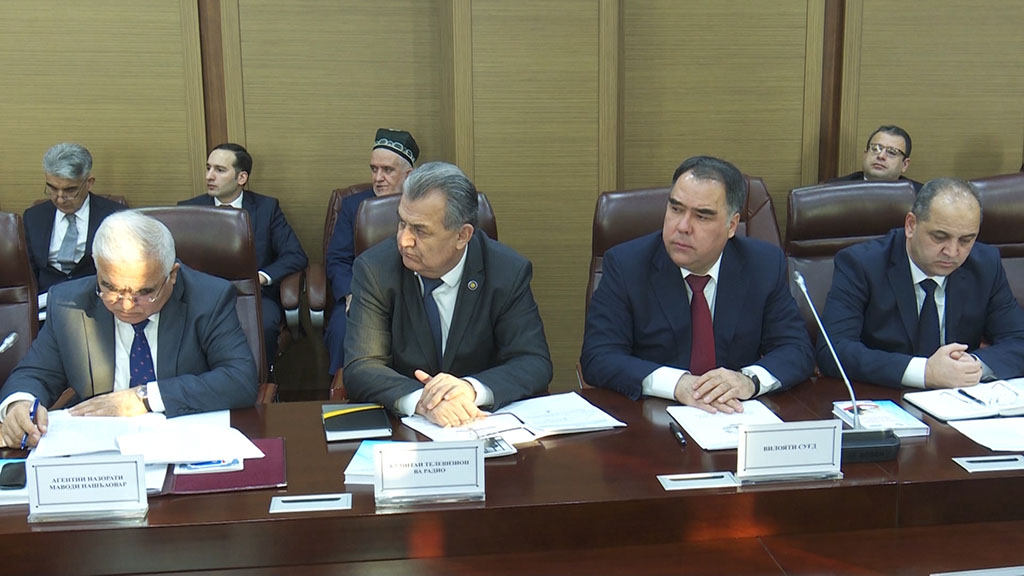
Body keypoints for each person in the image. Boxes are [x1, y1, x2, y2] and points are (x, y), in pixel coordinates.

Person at [0, 210, 258, 449]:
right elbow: (35, 373)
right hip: (98, 450)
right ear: (97, 266)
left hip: (183, 442)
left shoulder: (208, 298)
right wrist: (19, 405)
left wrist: (144, 398)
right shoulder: (70, 304)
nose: (125, 305)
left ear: (172, 275)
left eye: (144, 292)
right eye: (110, 287)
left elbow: (240, 379)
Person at [580, 156, 814, 413]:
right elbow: (598, 356)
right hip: (653, 417)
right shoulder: (627, 265)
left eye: (702, 216)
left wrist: (748, 380)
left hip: (734, 417)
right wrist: (677, 384)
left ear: (731, 226)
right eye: (676, 209)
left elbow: (796, 349)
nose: (682, 227)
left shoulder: (763, 264)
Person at [344, 162, 552, 427]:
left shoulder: (507, 272)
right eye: (402, 223)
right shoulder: (375, 270)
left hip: (480, 423)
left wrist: (470, 389)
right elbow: (361, 366)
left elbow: (533, 361)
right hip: (404, 430)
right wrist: (422, 400)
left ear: (462, 235)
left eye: (420, 230)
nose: (404, 240)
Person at [819, 178, 1024, 388]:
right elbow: (833, 350)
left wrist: (972, 366)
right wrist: (925, 372)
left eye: (966, 240)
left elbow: (1019, 339)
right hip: (885, 394)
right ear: (911, 225)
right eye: (939, 237)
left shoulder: (985, 264)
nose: (952, 252)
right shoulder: (862, 264)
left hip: (959, 399)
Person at [179, 143, 308, 364]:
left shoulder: (267, 208)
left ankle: (259, 380)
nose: (209, 176)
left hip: (253, 295)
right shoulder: (188, 209)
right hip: (202, 296)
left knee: (264, 325)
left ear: (242, 178)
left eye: (220, 170)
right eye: (208, 168)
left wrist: (261, 277)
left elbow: (295, 255)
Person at [324, 128, 418, 377]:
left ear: (409, 175)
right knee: (342, 327)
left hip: (414, 291)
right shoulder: (353, 205)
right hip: (360, 292)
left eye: (387, 170)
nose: (378, 178)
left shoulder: (423, 206)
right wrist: (350, 294)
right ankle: (341, 388)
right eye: (374, 169)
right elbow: (337, 259)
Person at [23, 143, 125, 316]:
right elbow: (29, 273)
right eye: (52, 188)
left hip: (96, 305)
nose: (60, 199)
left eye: (69, 190)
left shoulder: (115, 217)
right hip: (46, 306)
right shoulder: (33, 217)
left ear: (89, 183)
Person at [828, 125, 923, 192]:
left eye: (892, 152)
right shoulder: (833, 190)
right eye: (876, 148)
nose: (881, 156)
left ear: (905, 165)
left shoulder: (921, 196)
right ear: (865, 154)